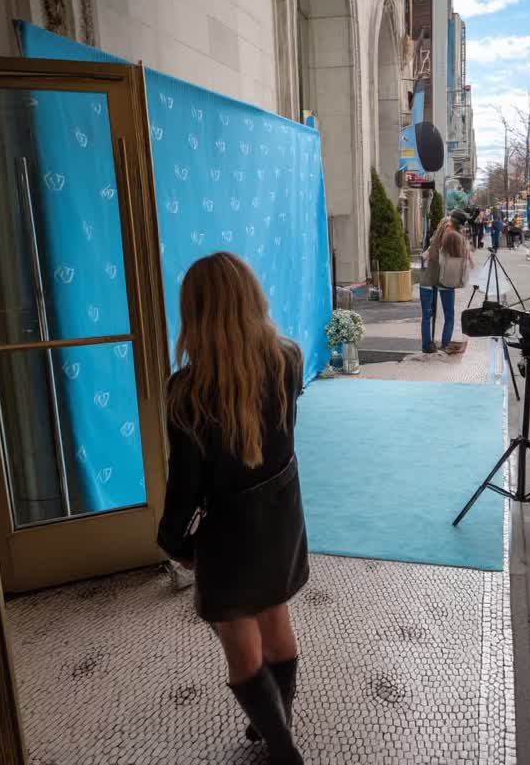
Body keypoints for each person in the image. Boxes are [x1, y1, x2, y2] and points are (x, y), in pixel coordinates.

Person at [157, 252, 308, 765]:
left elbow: (185, 485)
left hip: (230, 534)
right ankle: (273, 725)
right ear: (252, 298)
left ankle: (281, 745)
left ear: (195, 313)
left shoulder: (186, 391)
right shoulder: (288, 358)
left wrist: (174, 543)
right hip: (283, 517)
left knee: (243, 651)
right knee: (276, 616)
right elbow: (281, 441)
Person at [419, 220, 472, 353]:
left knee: (434, 316)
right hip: (437, 284)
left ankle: (436, 345)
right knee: (440, 315)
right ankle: (437, 345)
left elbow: (424, 257)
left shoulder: (437, 243)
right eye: (448, 228)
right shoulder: (449, 244)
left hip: (436, 283)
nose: (449, 231)